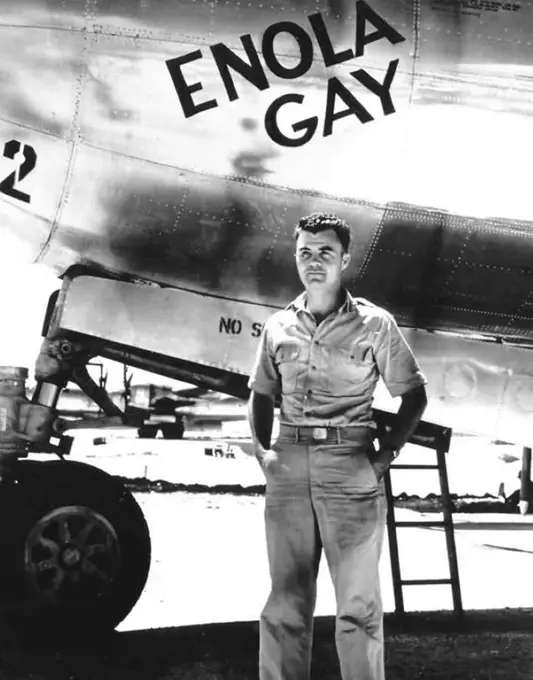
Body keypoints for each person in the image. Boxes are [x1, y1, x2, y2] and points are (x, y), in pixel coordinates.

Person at [247, 212, 428, 680]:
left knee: (358, 608)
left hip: (351, 465)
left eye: (325, 252)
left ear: (345, 258)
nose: (313, 261)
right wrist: (265, 455)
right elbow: (261, 393)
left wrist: (384, 458)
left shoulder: (374, 324)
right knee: (284, 603)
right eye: (304, 252)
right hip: (288, 465)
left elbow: (414, 395)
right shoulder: (278, 326)